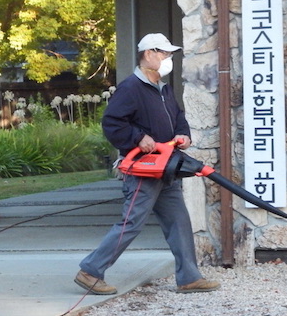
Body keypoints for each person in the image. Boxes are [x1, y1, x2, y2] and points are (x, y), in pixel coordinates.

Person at [74, 33, 221, 295]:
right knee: (131, 223)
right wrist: (138, 138)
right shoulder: (130, 88)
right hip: (143, 170)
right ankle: (91, 271)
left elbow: (178, 117)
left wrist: (183, 134)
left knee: (179, 222)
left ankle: (189, 278)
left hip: (166, 168)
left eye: (169, 54)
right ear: (148, 53)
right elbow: (112, 123)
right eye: (164, 53)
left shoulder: (164, 89)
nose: (168, 58)